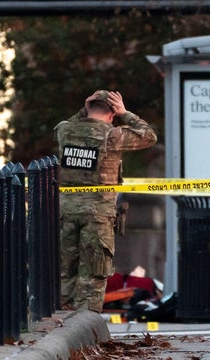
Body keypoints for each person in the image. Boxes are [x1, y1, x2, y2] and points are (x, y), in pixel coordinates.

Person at [54, 90, 157, 312]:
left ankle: (60, 323)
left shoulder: (65, 130)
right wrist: (125, 112)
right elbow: (148, 135)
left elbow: (75, 122)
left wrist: (85, 109)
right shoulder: (112, 136)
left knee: (64, 272)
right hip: (98, 216)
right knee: (93, 274)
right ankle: (86, 325)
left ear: (88, 107)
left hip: (65, 212)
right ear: (112, 114)